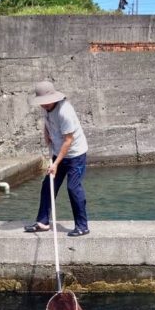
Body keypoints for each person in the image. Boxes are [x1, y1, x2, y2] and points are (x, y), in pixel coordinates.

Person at [24, 80, 90, 237]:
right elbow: (48, 121)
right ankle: (43, 222)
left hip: (75, 155)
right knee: (48, 185)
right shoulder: (47, 107)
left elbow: (68, 140)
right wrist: (46, 132)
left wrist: (55, 164)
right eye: (42, 102)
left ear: (54, 98)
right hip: (59, 152)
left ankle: (82, 226)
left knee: (73, 188)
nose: (44, 105)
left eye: (46, 102)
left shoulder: (64, 112)